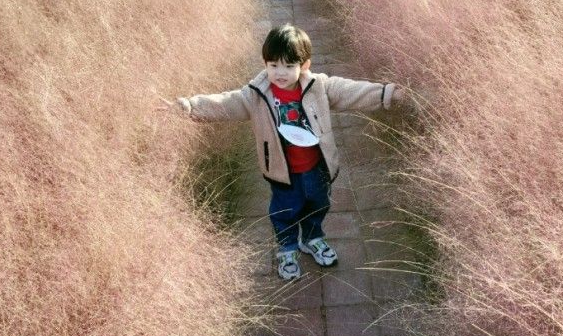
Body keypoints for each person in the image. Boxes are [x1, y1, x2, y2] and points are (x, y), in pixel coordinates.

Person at [166, 24, 403, 280]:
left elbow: (350, 91)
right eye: (273, 65)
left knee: (318, 205)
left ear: (304, 65)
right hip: (282, 171)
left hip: (317, 167)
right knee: (285, 211)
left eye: (289, 66)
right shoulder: (256, 94)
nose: (280, 73)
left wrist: (385, 94)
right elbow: (226, 102)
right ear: (265, 64)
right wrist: (190, 107)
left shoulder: (318, 87)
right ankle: (288, 249)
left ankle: (313, 238)